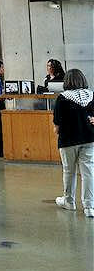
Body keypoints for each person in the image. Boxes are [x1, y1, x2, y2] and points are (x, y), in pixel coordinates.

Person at [53, 69, 94, 217]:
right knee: (88, 172)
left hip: (68, 141)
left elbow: (57, 126)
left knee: (69, 171)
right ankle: (89, 206)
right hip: (89, 138)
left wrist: (57, 129)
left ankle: (69, 201)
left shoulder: (62, 98)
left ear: (67, 82)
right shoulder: (91, 95)